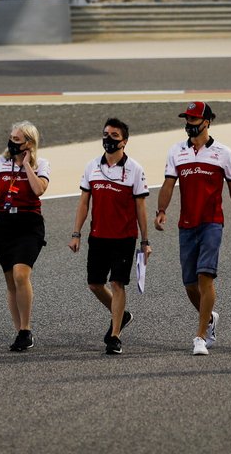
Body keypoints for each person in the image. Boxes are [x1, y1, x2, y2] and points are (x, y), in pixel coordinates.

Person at [155, 101, 231, 356]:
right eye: (187, 120)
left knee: (205, 277)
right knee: (189, 283)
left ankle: (201, 336)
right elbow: (168, 184)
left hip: (212, 223)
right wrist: (161, 211)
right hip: (186, 225)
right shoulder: (176, 151)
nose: (189, 124)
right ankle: (209, 317)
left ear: (207, 122)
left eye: (193, 120)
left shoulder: (223, 152)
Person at [69, 118, 152, 355]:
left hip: (124, 237)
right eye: (106, 134)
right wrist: (76, 233)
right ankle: (122, 315)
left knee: (117, 283)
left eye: (114, 135)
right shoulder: (92, 166)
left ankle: (115, 336)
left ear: (124, 141)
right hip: (98, 236)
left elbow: (141, 208)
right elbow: (84, 202)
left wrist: (145, 241)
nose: (109, 139)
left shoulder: (135, 169)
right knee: (95, 284)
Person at [0, 121, 50, 352]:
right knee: (11, 281)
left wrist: (27, 165)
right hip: (5, 225)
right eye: (11, 138)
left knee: (21, 274)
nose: (12, 142)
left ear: (29, 143)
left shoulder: (41, 164)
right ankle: (19, 331)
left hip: (29, 225)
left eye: (17, 140)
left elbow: (39, 190)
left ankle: (26, 328)